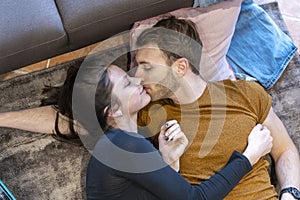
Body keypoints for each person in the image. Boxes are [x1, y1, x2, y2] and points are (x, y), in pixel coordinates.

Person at [133, 16, 300, 200]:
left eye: (146, 67)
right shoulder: (147, 114)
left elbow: (285, 150)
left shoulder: (245, 93)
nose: (138, 76)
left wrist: (290, 194)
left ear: (180, 67)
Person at [72, 59, 273, 200]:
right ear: (114, 110)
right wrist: (249, 157)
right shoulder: (125, 144)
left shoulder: (118, 143)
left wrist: (169, 162)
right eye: (127, 84)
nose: (137, 80)